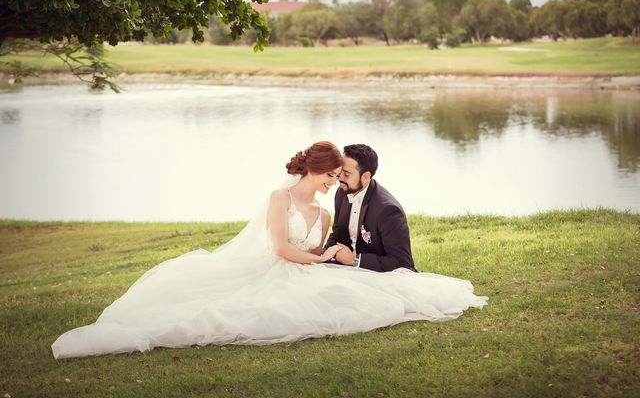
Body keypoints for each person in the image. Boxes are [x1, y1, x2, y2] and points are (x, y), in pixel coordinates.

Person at [52, 141, 487, 359]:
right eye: (333, 175)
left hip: (313, 268)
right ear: (318, 170)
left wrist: (335, 257)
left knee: (345, 300)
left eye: (342, 176)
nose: (336, 182)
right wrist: (322, 259)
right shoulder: (284, 199)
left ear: (363, 175)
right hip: (283, 265)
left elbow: (347, 249)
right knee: (231, 308)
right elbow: (282, 247)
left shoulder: (338, 207)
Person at [325, 144, 415, 272]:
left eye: (347, 174)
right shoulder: (342, 193)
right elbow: (337, 233)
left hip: (380, 276)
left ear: (366, 177)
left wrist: (354, 260)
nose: (340, 178)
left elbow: (402, 263)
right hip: (345, 270)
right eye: (340, 172)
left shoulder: (388, 211)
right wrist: (325, 256)